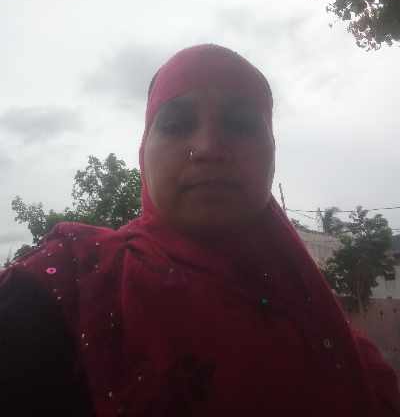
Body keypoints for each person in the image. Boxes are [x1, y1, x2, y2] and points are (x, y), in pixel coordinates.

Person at [0, 44, 399, 416]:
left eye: (240, 124)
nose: (208, 147)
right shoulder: (69, 286)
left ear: (272, 153)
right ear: (143, 154)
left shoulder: (333, 338)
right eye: (176, 125)